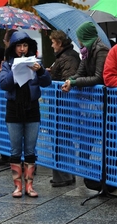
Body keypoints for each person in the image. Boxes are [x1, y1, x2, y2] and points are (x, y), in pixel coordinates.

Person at [0, 31, 52, 198]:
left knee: (30, 149)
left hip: (32, 109)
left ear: (30, 47)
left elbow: (47, 82)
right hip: (14, 110)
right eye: (19, 46)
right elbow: (4, 85)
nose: (22, 49)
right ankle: (17, 187)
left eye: (25, 45)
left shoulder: (35, 63)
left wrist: (41, 70)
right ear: (13, 48)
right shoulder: (7, 64)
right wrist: (14, 71)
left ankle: (29, 186)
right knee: (15, 149)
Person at [61, 21, 109, 171]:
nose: (78, 40)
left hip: (105, 103)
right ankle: (84, 165)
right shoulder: (87, 50)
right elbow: (80, 73)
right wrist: (69, 80)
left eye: (79, 37)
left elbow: (98, 78)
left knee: (107, 139)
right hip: (93, 104)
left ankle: (107, 171)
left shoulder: (101, 50)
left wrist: (74, 83)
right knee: (88, 134)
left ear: (85, 36)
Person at [47, 30, 81, 187]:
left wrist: (53, 76)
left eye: (53, 42)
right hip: (62, 105)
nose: (52, 45)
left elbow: (68, 78)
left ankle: (64, 176)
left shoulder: (68, 57)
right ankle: (64, 174)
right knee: (61, 138)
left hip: (64, 105)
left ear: (59, 43)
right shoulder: (66, 56)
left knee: (62, 138)